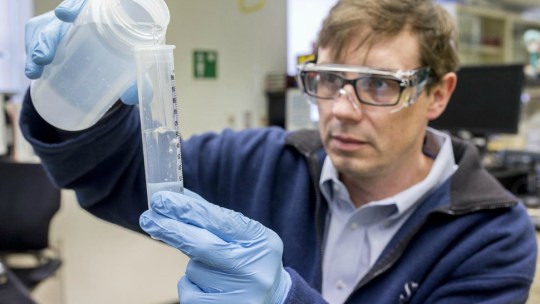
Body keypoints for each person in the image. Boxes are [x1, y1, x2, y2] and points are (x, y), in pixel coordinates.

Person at [22, 0, 537, 303]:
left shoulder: (492, 234)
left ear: (439, 95)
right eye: (329, 79)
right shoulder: (258, 162)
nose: (342, 109)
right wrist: (77, 86)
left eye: (380, 86)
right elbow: (111, 176)